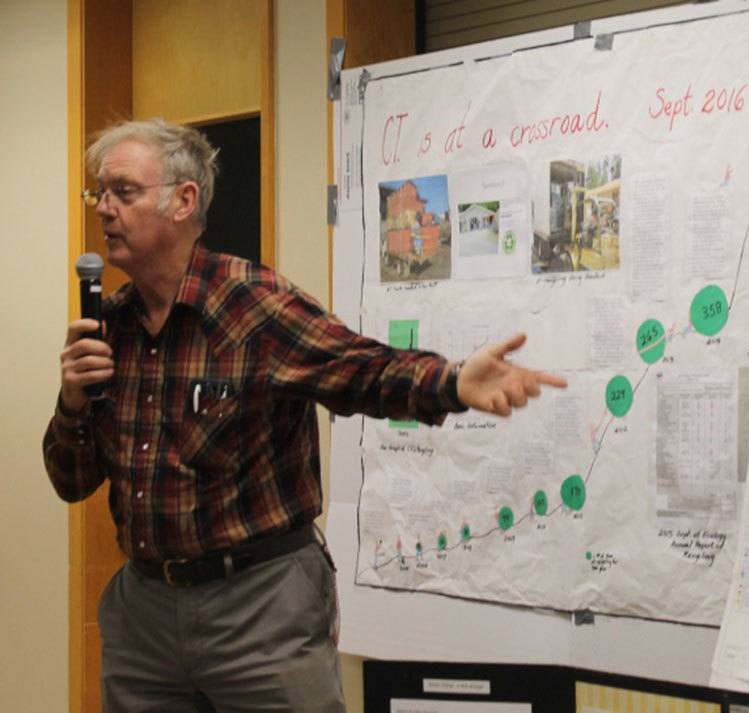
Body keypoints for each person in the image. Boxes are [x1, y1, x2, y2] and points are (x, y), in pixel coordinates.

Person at [44, 118, 566, 712]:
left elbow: (358, 369)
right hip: (143, 617)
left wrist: (450, 380)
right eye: (99, 194)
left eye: (123, 191)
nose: (104, 209)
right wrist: (73, 402)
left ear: (183, 202)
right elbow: (71, 480)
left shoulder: (250, 303)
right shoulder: (110, 327)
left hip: (258, 608)